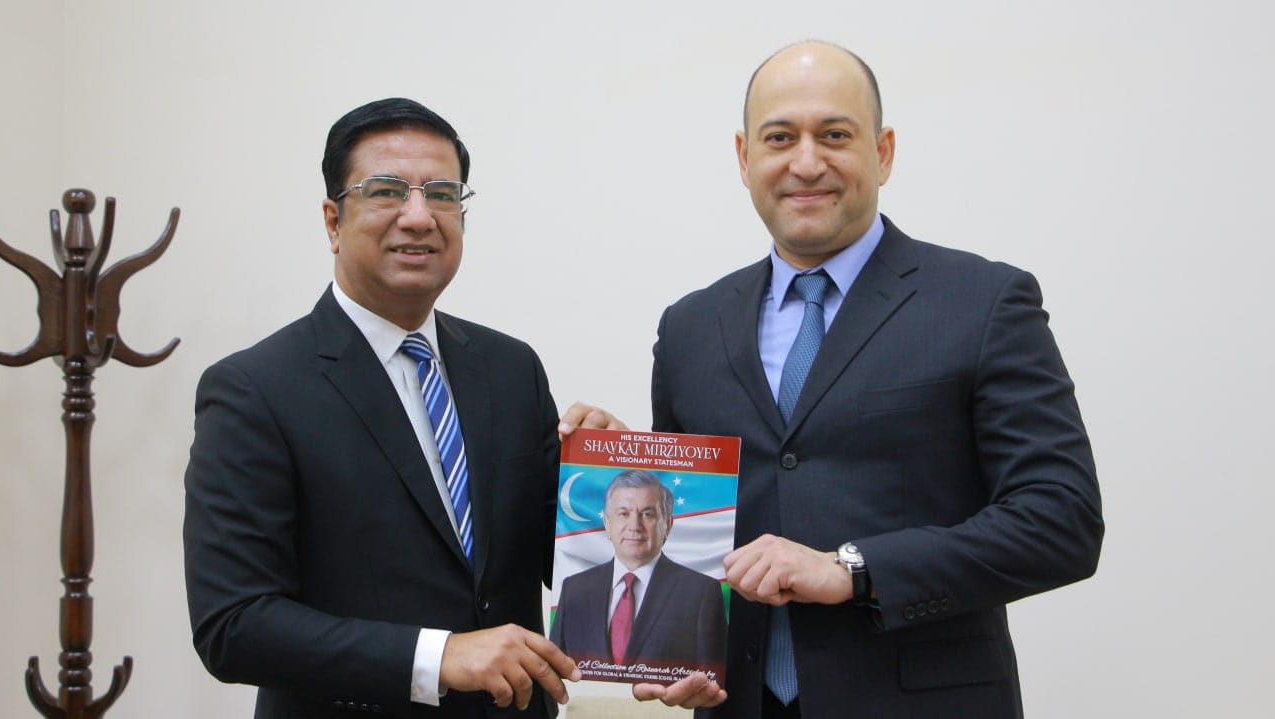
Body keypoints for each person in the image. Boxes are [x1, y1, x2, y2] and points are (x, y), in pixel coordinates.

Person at [639, 42, 1104, 718]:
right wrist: (615, 462)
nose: (806, 163)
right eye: (779, 138)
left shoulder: (983, 302)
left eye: (834, 135)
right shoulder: (689, 327)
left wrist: (853, 568)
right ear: (744, 157)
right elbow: (689, 534)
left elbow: (1061, 521)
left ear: (883, 152)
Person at [183, 97, 623, 719]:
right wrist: (438, 657)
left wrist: (611, 477)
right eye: (387, 191)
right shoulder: (254, 390)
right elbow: (234, 625)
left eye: (442, 194)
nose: (419, 217)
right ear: (333, 221)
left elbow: (563, 557)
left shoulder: (510, 368)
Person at [549, 470, 727, 677]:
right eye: (624, 514)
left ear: (667, 525)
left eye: (647, 514)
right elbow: (556, 672)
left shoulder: (702, 592)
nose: (635, 526)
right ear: (607, 523)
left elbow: (712, 680)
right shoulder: (574, 589)